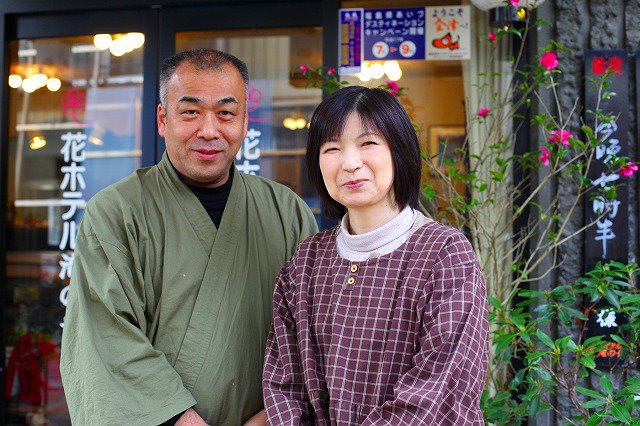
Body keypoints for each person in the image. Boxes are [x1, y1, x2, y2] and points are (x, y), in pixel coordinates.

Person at [60, 49, 318, 425]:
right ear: (163, 119)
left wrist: (274, 415)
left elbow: (313, 337)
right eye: (191, 112)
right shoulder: (117, 211)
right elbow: (104, 339)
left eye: (226, 113)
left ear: (245, 122)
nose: (209, 130)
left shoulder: (287, 211)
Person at [263, 86, 489, 424]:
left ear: (399, 151)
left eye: (368, 143)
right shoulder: (305, 262)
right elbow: (283, 384)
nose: (350, 163)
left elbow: (437, 393)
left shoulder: (445, 253)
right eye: (332, 148)